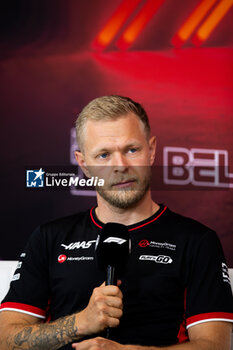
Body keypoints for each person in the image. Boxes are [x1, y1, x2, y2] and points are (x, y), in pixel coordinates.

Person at [0, 95, 232, 350]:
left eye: (132, 150)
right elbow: (5, 339)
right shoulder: (49, 238)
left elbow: (215, 345)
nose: (120, 165)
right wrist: (79, 323)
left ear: (152, 150)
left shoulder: (197, 241)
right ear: (83, 164)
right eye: (103, 155)